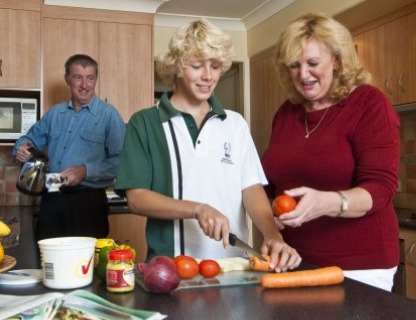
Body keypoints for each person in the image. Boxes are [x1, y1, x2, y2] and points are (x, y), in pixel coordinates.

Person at [114, 19, 301, 272]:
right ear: (178, 67)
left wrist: (273, 237)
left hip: (235, 266)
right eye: (197, 66)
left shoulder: (235, 123)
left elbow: (251, 189)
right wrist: (197, 209)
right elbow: (137, 199)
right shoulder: (145, 123)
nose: (208, 76)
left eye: (215, 66)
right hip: (172, 268)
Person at [261, 13, 400, 291]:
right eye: (294, 65)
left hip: (360, 265)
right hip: (295, 260)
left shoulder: (368, 104)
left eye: (313, 63)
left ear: (336, 59)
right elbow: (272, 184)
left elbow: (381, 189)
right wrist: (270, 220)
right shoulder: (286, 113)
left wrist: (327, 202)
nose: (303, 74)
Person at [13, 54, 126, 241]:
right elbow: (28, 140)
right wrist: (21, 147)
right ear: (68, 79)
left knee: (85, 265)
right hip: (52, 193)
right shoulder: (54, 114)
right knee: (48, 259)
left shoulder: (109, 115)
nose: (85, 85)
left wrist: (85, 171)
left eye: (90, 78)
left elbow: (122, 162)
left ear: (95, 80)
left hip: (88, 201)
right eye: (77, 77)